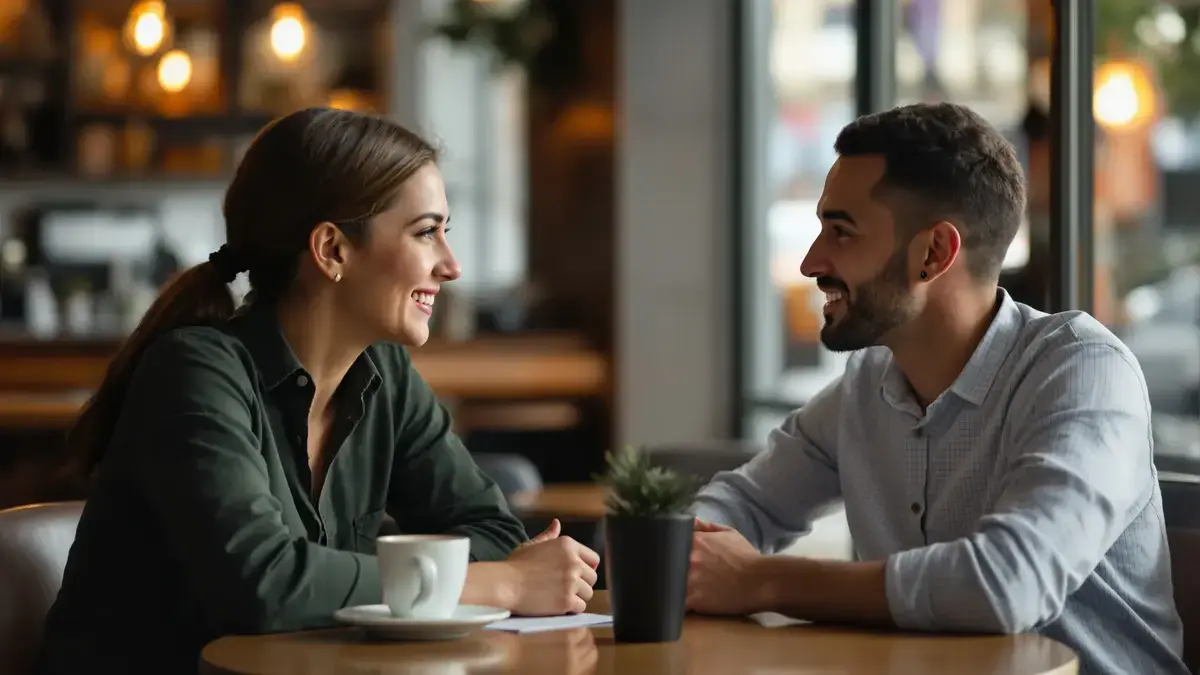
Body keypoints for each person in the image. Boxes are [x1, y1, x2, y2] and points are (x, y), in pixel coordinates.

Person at [37, 108, 599, 674]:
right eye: (426, 232)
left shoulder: (386, 376)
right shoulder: (194, 372)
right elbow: (266, 585)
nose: (450, 266)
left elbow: (495, 531)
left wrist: (370, 579)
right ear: (332, 250)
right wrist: (502, 583)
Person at [687, 102, 1188, 675]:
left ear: (934, 254)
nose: (809, 262)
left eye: (841, 231)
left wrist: (761, 581)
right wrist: (692, 557)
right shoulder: (866, 387)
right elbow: (742, 504)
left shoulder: (1082, 372)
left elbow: (1007, 584)